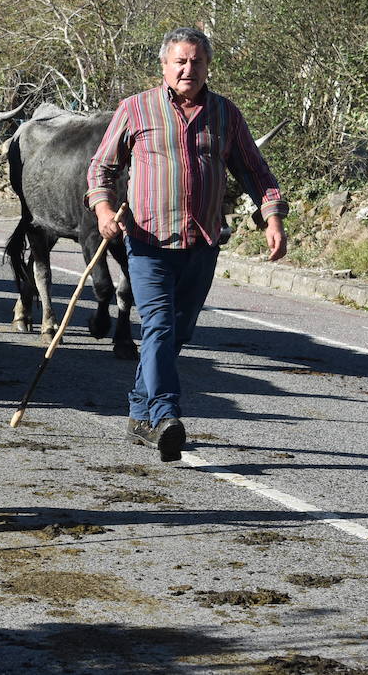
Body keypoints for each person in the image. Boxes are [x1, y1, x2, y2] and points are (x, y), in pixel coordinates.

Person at [86, 26, 288, 462]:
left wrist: (271, 216)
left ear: (207, 66)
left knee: (177, 333)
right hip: (148, 242)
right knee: (157, 326)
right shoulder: (135, 109)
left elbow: (255, 171)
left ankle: (140, 413)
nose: (188, 69)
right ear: (163, 65)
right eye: (180, 61)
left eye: (196, 61)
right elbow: (101, 168)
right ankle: (166, 415)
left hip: (202, 242)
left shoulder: (225, 115)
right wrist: (104, 212)